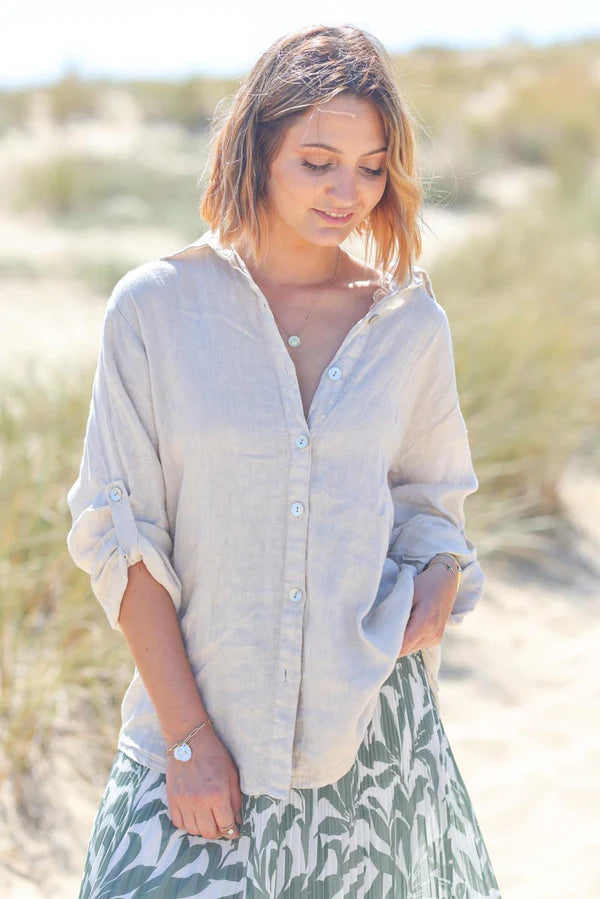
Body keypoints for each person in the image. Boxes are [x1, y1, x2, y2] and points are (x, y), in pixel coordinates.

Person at [66, 22, 502, 898]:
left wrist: (441, 569)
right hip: (194, 743)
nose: (347, 190)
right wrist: (187, 739)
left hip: (370, 749)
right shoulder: (154, 311)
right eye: (318, 160)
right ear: (258, 147)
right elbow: (123, 537)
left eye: (372, 166)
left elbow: (432, 505)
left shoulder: (410, 326)